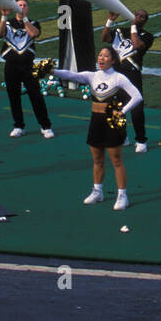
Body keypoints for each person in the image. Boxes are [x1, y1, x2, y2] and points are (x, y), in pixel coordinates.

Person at [54, 48, 143, 210]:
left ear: (113, 60)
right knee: (97, 160)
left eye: (106, 56)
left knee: (116, 160)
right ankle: (97, 191)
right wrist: (51, 70)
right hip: (96, 121)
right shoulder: (92, 76)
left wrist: (122, 112)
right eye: (100, 55)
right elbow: (70, 75)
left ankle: (122, 196)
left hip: (112, 122)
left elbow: (137, 96)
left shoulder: (119, 78)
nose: (101, 58)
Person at [0, 0, 53, 139]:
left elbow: (34, 34)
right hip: (11, 66)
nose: (21, 7)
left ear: (27, 8)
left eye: (24, 5)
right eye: (19, 5)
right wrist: (4, 17)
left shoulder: (33, 23)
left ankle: (45, 126)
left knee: (36, 96)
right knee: (13, 97)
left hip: (28, 66)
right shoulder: (9, 23)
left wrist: (25, 19)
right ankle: (18, 126)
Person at [102, 8, 152, 152]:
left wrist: (133, 26)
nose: (139, 17)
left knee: (136, 109)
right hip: (116, 74)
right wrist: (109, 21)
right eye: (137, 15)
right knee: (117, 106)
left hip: (132, 74)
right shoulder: (119, 31)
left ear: (145, 21)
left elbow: (136, 45)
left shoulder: (148, 36)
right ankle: (122, 137)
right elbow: (104, 38)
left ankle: (141, 140)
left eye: (142, 17)